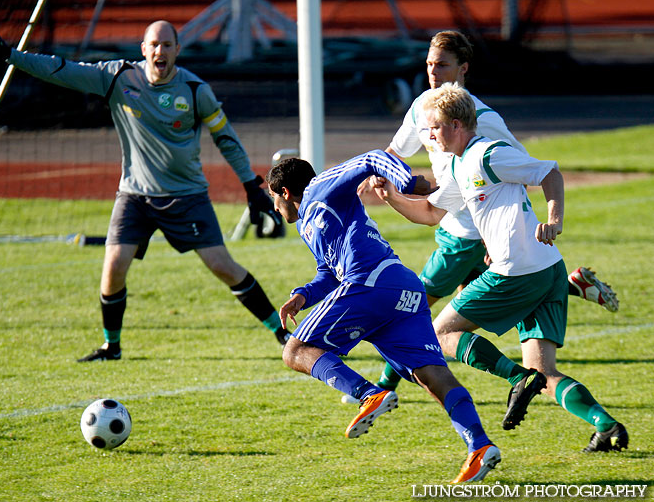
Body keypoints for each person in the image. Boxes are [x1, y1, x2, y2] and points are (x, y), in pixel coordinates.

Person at [0, 16, 291, 359]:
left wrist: (250, 183)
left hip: (187, 196)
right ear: (144, 49)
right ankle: (112, 345)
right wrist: (9, 55)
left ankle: (282, 333)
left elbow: (225, 138)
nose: (160, 51)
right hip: (135, 195)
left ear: (178, 50)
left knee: (223, 266)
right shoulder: (118, 78)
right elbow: (61, 69)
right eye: (154, 44)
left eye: (167, 45)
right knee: (113, 266)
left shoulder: (196, 91)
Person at [352, 30, 618, 398]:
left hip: (466, 232)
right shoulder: (421, 107)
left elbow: (523, 171)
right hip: (452, 219)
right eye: (429, 64)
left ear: (463, 68)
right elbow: (396, 151)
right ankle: (568, 286)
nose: (433, 71)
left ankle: (382, 388)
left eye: (442, 64)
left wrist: (512, 230)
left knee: (414, 305)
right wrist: (374, 172)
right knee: (463, 305)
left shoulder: (483, 120)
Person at [368, 82, 628, 452]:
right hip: (549, 270)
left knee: (437, 335)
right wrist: (391, 197)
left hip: (518, 273)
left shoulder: (488, 154)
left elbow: (550, 173)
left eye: (435, 127)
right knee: (545, 372)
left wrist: (554, 220)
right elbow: (428, 214)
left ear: (457, 125)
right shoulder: (460, 166)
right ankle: (607, 427)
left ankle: (516, 379)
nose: (429, 136)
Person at [265, 150, 501, 483]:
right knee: (430, 374)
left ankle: (367, 393)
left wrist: (406, 181)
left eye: (274, 199)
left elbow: (371, 158)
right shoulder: (308, 223)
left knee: (295, 350)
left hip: (372, 281)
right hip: (403, 289)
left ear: (286, 193)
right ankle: (479, 445)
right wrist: (303, 295)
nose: (275, 207)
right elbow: (328, 272)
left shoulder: (322, 186)